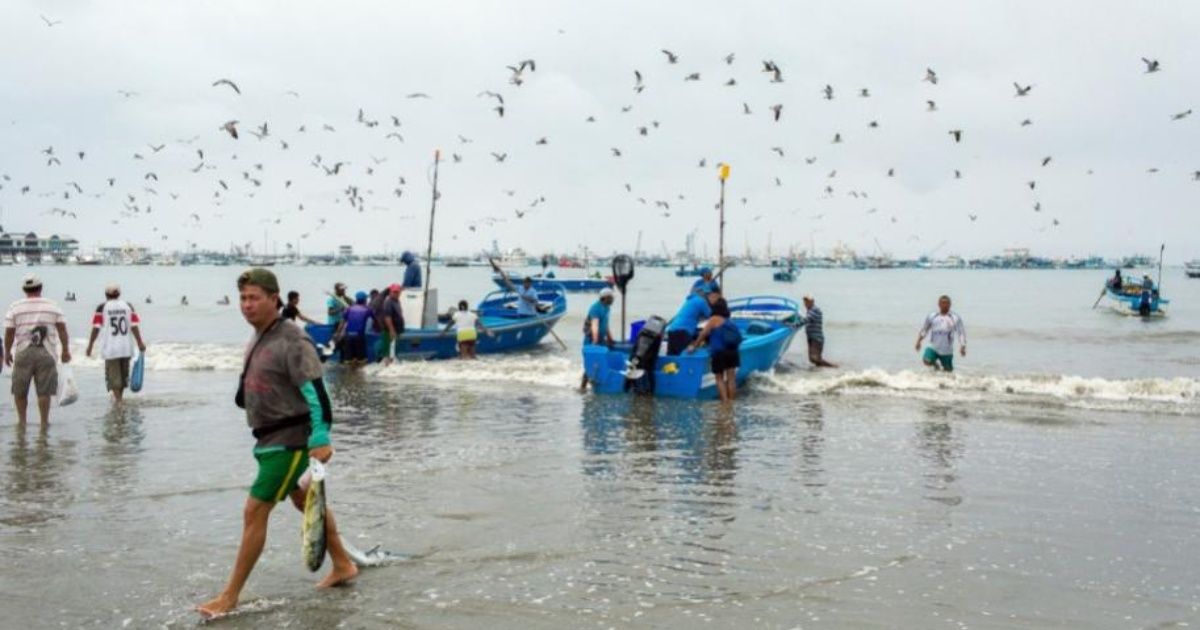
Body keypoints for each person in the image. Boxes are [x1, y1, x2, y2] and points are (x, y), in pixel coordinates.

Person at [195, 268, 356, 619]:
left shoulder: (292, 339)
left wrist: (321, 435)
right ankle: (343, 564)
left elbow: (317, 392)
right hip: (268, 439)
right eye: (243, 298)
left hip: (289, 441)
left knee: (254, 511)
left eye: (254, 298)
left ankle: (229, 596)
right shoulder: (259, 336)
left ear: (274, 298)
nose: (247, 305)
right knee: (304, 501)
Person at [4, 274, 70, 424]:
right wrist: (65, 350)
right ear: (40, 288)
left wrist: (7, 352)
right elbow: (62, 330)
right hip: (46, 352)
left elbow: (9, 332)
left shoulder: (15, 307)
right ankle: (44, 423)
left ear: (24, 289)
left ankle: (22, 422)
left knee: (20, 391)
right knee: (44, 392)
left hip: (22, 351)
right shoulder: (52, 305)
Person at [85, 284, 147, 403]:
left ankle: (119, 403)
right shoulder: (128, 306)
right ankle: (119, 400)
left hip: (111, 349)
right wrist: (140, 342)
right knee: (123, 378)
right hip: (126, 347)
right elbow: (134, 326)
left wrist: (90, 345)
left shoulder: (102, 307)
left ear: (106, 295)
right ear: (119, 294)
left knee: (114, 379)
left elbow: (96, 328)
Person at [689, 289, 741, 402]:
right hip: (732, 351)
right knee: (731, 378)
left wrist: (694, 345)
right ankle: (731, 402)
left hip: (720, 353)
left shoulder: (714, 319)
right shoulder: (729, 321)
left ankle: (725, 402)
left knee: (719, 378)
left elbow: (703, 334)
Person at [915, 295, 967, 372]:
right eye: (943, 303)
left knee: (948, 373)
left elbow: (961, 333)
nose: (945, 305)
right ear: (939, 304)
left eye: (947, 303)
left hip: (946, 350)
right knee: (926, 360)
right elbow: (925, 329)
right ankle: (936, 365)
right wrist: (918, 341)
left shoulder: (955, 318)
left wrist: (962, 346)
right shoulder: (932, 316)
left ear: (950, 304)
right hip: (933, 347)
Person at [579, 288, 615, 391]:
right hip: (591, 340)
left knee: (603, 361)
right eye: (611, 297)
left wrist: (610, 338)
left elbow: (605, 324)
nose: (613, 299)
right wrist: (594, 342)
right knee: (591, 363)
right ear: (605, 298)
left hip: (601, 339)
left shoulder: (607, 308)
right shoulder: (595, 308)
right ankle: (582, 387)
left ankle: (600, 384)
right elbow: (595, 325)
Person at [665, 290, 713, 356]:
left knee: (671, 357)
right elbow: (712, 316)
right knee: (684, 356)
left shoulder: (690, 301)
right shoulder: (701, 301)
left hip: (672, 329)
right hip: (683, 332)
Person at [334, 291, 375, 367]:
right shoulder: (368, 309)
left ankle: (349, 376)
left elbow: (342, 322)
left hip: (348, 337)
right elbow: (375, 320)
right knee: (362, 361)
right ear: (365, 300)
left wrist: (337, 333)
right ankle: (359, 377)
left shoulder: (349, 309)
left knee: (348, 361)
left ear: (356, 299)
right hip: (359, 337)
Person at [799, 295, 837, 368]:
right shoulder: (810, 310)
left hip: (816, 338)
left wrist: (794, 325)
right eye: (805, 302)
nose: (806, 304)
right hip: (811, 337)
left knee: (815, 358)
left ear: (812, 302)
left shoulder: (815, 310)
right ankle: (822, 373)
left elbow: (807, 320)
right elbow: (806, 319)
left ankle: (833, 367)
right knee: (812, 359)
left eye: (808, 302)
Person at [378, 284, 405, 363]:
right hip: (389, 331)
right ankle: (386, 370)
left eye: (397, 292)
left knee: (393, 353)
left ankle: (390, 368)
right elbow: (387, 317)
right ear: (390, 292)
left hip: (397, 330)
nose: (396, 294)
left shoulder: (397, 301)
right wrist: (391, 330)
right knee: (388, 353)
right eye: (394, 292)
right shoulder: (388, 302)